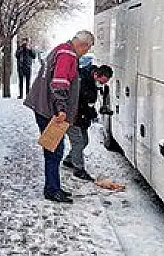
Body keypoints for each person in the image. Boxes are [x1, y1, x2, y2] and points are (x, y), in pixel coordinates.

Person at [24, 30, 95, 203]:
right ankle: (52, 190)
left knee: (52, 149)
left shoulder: (61, 49)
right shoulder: (67, 54)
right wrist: (61, 109)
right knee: (55, 150)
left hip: (44, 106)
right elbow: (59, 83)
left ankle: (53, 187)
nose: (86, 52)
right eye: (88, 49)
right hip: (50, 110)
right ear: (83, 45)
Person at [63, 64, 114, 181]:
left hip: (82, 116)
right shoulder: (82, 80)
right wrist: (90, 112)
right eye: (102, 81)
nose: (102, 84)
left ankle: (69, 160)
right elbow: (80, 101)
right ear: (96, 74)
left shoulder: (91, 79)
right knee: (78, 142)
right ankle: (78, 169)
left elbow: (88, 103)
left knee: (84, 141)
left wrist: (94, 112)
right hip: (73, 115)